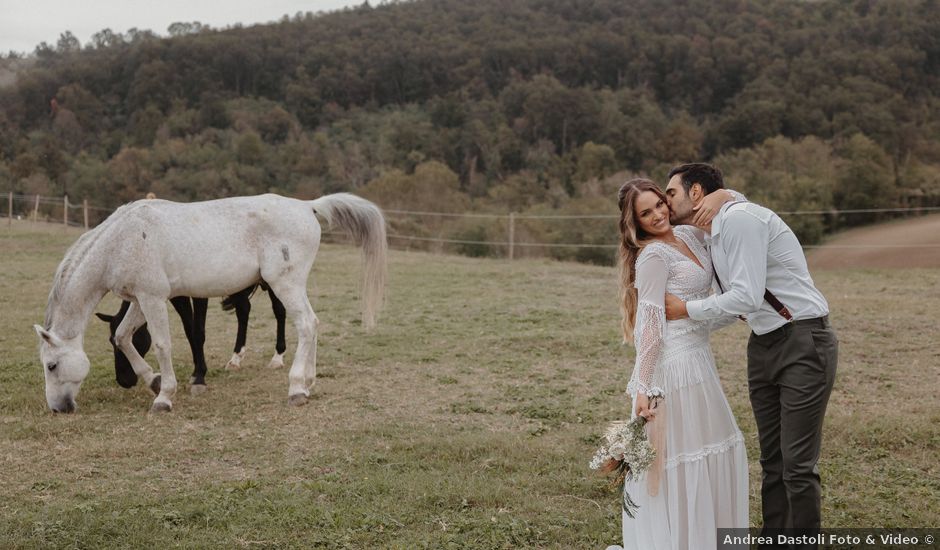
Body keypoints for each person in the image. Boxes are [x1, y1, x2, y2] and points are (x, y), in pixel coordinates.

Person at [663, 163, 838, 547]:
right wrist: (684, 331)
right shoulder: (710, 233)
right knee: (772, 461)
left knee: (797, 465)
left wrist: (685, 311)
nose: (665, 200)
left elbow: (745, 296)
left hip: (803, 341)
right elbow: (734, 307)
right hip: (762, 344)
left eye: (671, 192)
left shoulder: (739, 220)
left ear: (696, 193)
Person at [611, 178, 748, 550]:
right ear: (635, 222)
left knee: (714, 447)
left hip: (699, 358)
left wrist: (723, 194)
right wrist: (642, 387)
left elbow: (738, 206)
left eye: (659, 204)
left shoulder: (688, 234)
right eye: (646, 213)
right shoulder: (653, 256)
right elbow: (651, 325)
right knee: (683, 461)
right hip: (672, 369)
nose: (658, 215)